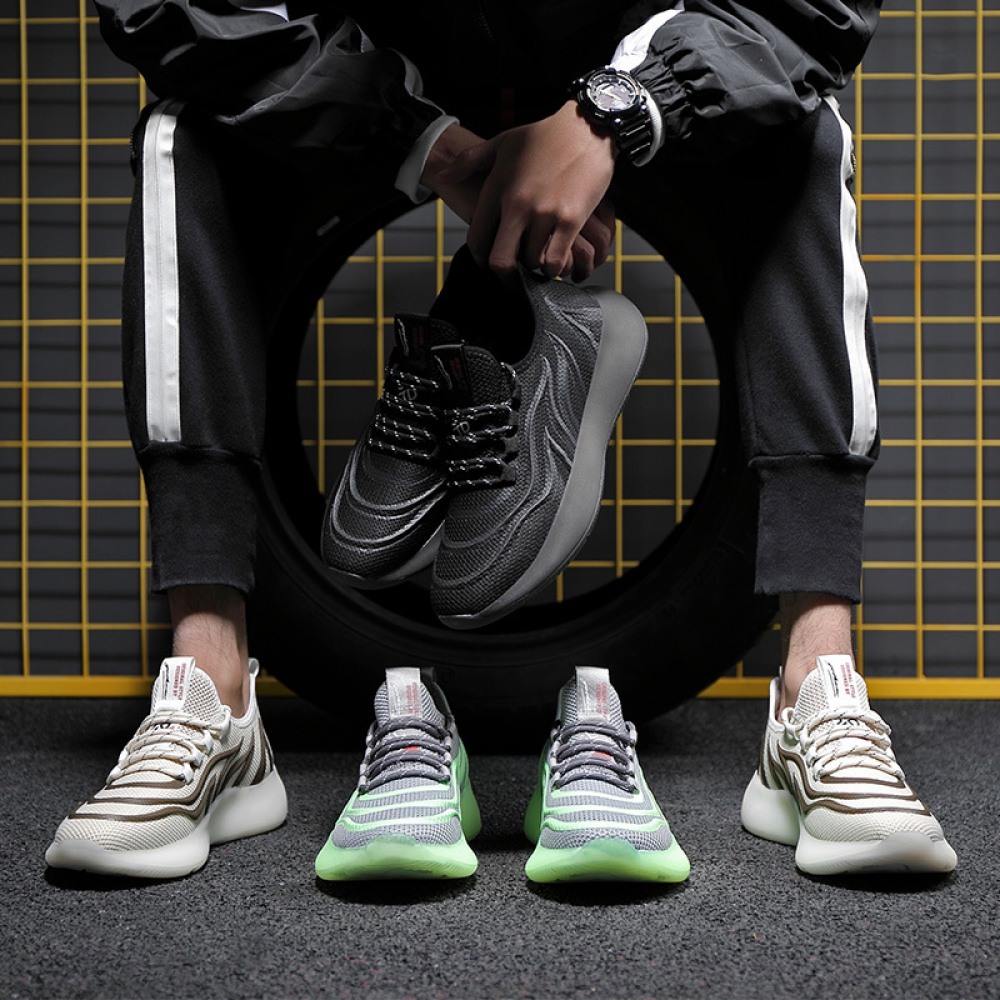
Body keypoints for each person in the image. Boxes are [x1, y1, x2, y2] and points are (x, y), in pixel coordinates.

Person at [46, 0, 956, 881]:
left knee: (801, 133)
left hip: (639, 45)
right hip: (381, 57)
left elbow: (809, 8)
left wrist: (621, 109)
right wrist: (422, 140)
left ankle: (816, 691)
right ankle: (213, 695)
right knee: (189, 135)